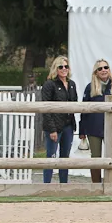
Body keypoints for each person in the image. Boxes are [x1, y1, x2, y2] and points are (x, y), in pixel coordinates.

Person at [79, 59, 112, 183]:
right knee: (95, 157)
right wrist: (82, 130)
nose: (103, 70)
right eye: (100, 68)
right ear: (96, 72)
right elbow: (84, 110)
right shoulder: (90, 87)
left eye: (106, 67)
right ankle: (96, 185)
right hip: (93, 128)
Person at [41, 56, 78, 184]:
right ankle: (46, 185)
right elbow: (46, 108)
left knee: (65, 158)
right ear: (55, 69)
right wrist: (52, 129)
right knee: (51, 156)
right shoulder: (49, 84)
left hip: (68, 125)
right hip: (54, 126)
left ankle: (64, 185)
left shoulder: (72, 84)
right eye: (60, 67)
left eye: (66, 66)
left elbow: (74, 103)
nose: (64, 69)